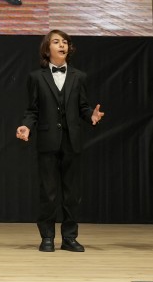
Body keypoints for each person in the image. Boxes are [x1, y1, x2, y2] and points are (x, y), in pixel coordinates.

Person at [16, 29, 104, 252]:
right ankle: (47, 236)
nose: (62, 45)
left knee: (72, 193)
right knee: (48, 192)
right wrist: (26, 125)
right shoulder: (36, 77)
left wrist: (91, 116)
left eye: (65, 42)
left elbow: (83, 106)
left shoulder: (79, 76)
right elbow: (32, 109)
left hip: (72, 141)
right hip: (47, 141)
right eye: (56, 42)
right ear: (47, 49)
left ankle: (69, 237)